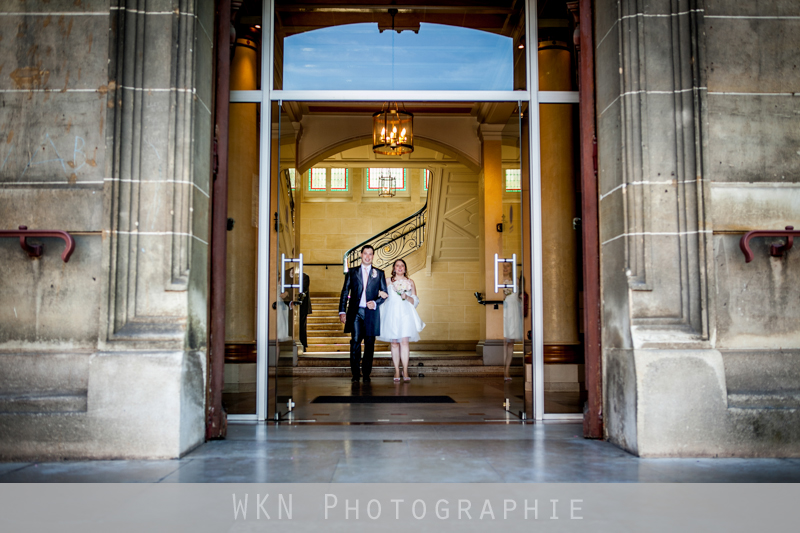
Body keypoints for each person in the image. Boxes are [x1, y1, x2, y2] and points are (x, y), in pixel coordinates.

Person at [338, 245, 388, 383]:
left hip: (371, 313)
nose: (367, 256)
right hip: (356, 312)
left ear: (373, 256)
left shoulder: (380, 273)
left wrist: (376, 302)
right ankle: (355, 374)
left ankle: (366, 373)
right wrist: (342, 311)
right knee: (355, 341)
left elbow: (385, 294)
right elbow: (344, 292)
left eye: (370, 254)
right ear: (361, 255)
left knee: (370, 343)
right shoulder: (352, 272)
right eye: (365, 253)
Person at [377, 259, 426, 382]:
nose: (400, 268)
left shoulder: (410, 282)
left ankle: (405, 370)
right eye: (397, 266)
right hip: (391, 314)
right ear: (394, 268)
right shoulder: (388, 281)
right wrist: (380, 293)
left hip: (405, 314)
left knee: (404, 342)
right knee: (394, 343)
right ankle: (396, 371)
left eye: (402, 266)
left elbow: (415, 301)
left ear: (405, 268)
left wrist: (407, 297)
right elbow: (379, 294)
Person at [502, 262, 523, 381]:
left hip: (513, 311)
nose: (505, 268)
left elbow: (517, 297)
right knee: (504, 342)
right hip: (504, 311)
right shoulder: (498, 280)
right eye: (503, 266)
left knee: (511, 343)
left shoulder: (516, 280)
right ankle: (502, 368)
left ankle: (507, 370)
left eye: (508, 266)